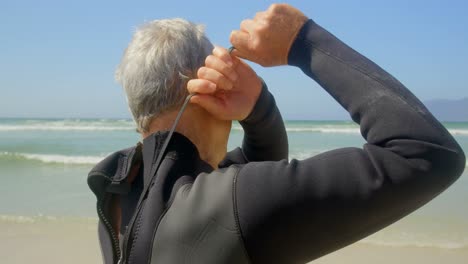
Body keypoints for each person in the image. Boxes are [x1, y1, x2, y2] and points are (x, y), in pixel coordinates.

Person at [88, 4, 466, 264]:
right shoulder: (230, 205)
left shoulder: (118, 190)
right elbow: (426, 152)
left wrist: (259, 110)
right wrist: (304, 42)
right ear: (205, 87)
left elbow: (254, 172)